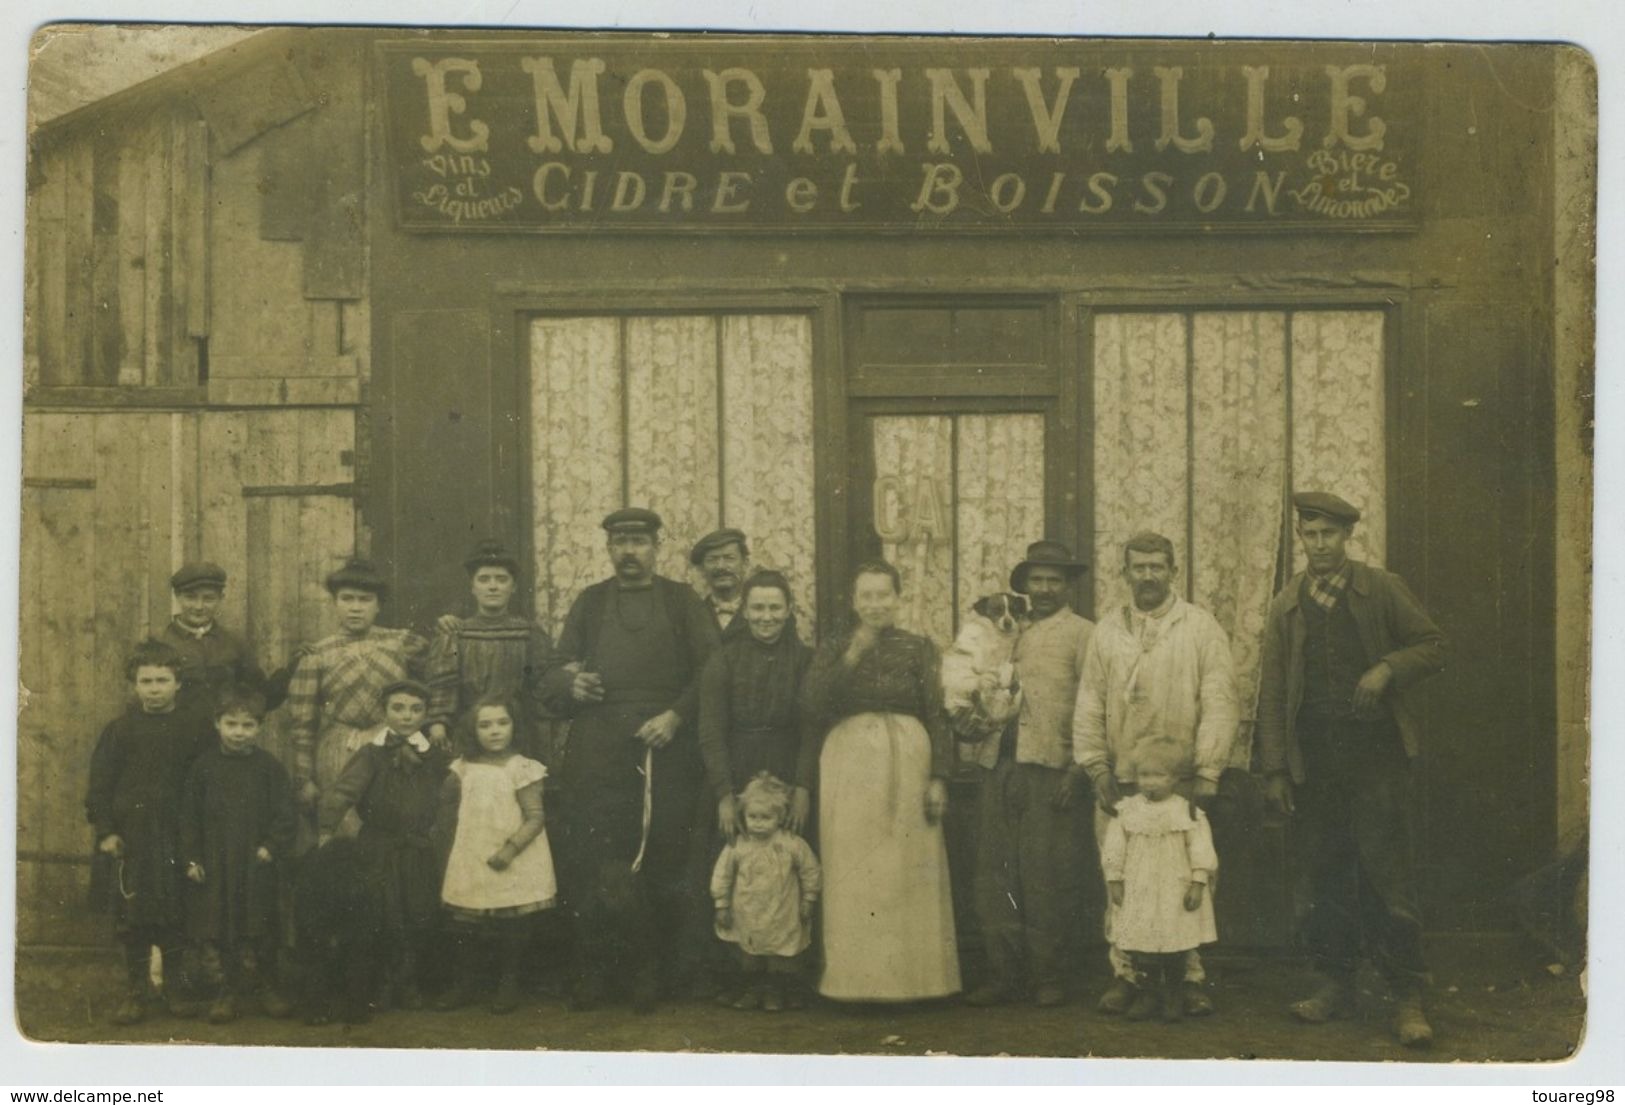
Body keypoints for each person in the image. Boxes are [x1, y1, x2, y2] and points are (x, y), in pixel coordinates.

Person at [1257, 491, 1448, 1047]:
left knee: (1387, 874)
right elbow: (1270, 691)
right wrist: (1274, 769)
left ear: (1346, 538)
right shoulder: (1286, 604)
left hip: (1376, 758)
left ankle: (1407, 996)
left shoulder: (1379, 588)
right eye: (1309, 535)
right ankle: (1334, 984)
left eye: (1328, 535)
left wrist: (1386, 668)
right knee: (1325, 873)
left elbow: (1433, 645)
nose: (1318, 545)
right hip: (1314, 761)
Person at [539, 507, 720, 1012]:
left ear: (657, 546)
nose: (630, 552)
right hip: (598, 751)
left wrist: (676, 717)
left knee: (661, 860)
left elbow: (712, 671)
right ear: (608, 549)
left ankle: (652, 975)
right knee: (593, 861)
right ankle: (595, 973)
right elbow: (554, 671)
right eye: (620, 542)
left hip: (665, 750)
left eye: (639, 541)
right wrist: (572, 684)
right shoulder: (591, 604)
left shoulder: (681, 601)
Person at [1072, 531, 1238, 1017]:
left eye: (1156, 566)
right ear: (1124, 573)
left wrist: (1207, 771)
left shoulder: (1200, 628)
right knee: (1123, 881)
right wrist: (1097, 767)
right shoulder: (1108, 631)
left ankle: (1189, 977)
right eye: (1138, 567)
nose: (1147, 575)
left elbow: (1221, 700)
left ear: (1173, 571)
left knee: (1189, 881)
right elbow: (1089, 704)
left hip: (1181, 782)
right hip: (1125, 781)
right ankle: (1127, 975)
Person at [801, 558, 959, 1003]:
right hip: (850, 764)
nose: (875, 604)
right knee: (858, 872)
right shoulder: (835, 645)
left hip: (909, 761)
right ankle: (855, 984)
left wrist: (939, 778)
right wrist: (853, 653)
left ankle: (913, 984)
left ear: (898, 599)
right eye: (866, 596)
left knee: (906, 872)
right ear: (854, 602)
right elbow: (811, 704)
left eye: (883, 595)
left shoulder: (919, 647)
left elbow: (937, 712)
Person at [963, 540, 1095, 1008]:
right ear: (1024, 586)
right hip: (998, 765)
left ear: (1067, 586)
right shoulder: (1004, 628)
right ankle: (1004, 975)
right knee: (994, 874)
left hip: (1050, 769)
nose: (1044, 589)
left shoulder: (1083, 635)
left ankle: (1047, 976)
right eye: (1036, 580)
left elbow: (1093, 705)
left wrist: (1079, 769)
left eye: (1053, 580)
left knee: (1045, 875)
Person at [696, 568, 815, 1002]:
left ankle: (783, 980)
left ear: (788, 611)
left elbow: (811, 728)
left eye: (775, 608)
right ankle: (740, 978)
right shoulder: (723, 660)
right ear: (745, 612)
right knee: (736, 873)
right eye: (758, 608)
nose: (766, 617)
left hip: (786, 763)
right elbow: (710, 729)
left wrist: (802, 787)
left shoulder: (805, 660)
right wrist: (725, 794)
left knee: (786, 875)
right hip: (737, 764)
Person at [85, 639, 215, 1025]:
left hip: (177, 836)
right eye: (146, 681)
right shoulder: (120, 730)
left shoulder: (195, 728)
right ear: (134, 684)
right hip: (133, 838)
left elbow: (208, 783)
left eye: (162, 680)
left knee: (174, 915)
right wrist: (106, 831)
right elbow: (100, 786)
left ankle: (174, 988)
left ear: (178, 684)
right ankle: (136, 992)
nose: (154, 688)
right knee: (134, 916)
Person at [317, 679, 450, 1010]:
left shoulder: (434, 757)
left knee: (418, 912)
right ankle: (382, 983)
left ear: (426, 714)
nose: (407, 716)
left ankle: (410, 982)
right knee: (381, 913)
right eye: (398, 708)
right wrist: (325, 830)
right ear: (385, 711)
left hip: (418, 848)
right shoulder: (371, 754)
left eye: (416, 709)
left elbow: (450, 797)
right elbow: (343, 793)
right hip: (378, 845)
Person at [285, 558, 430, 838]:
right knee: (344, 828)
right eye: (346, 599)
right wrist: (304, 778)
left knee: (390, 827)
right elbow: (302, 722)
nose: (355, 607)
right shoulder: (318, 654)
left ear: (378, 605)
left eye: (364, 599)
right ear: (335, 603)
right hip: (339, 749)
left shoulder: (401, 643)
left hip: (391, 746)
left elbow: (438, 675)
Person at [181, 686, 297, 1023]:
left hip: (255, 862)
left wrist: (271, 846)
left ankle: (267, 987)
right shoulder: (203, 767)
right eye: (231, 724)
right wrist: (192, 858)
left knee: (261, 924)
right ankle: (225, 992)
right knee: (220, 926)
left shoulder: (269, 768)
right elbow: (188, 818)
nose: (239, 733)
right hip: (216, 863)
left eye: (247, 726)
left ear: (259, 728)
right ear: (217, 724)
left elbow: (285, 814)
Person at [436, 695, 557, 1015]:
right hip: (472, 852)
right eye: (485, 725)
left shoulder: (523, 768)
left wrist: (510, 849)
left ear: (514, 727)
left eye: (502, 723)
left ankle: (509, 983)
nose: (494, 731)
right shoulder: (462, 768)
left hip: (513, 855)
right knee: (465, 923)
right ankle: (464, 984)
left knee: (511, 925)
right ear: (472, 730)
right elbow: (448, 808)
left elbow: (535, 817)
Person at [1101, 737, 1219, 1024]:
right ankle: (1148, 993)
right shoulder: (1127, 811)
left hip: (1172, 888)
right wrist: (1115, 879)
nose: (1150, 783)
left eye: (1158, 776)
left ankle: (1174, 995)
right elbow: (1114, 847)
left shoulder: (1186, 811)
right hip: (1140, 887)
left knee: (1174, 941)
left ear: (1175, 779)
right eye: (1144, 775)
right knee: (1143, 942)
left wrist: (1198, 882)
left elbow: (1201, 849)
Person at [425, 541, 559, 766]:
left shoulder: (528, 633)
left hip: (517, 733)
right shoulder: (456, 633)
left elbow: (543, 685)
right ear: (472, 587)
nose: (493, 586)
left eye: (501, 579)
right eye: (484, 579)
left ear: (513, 586)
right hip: (469, 730)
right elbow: (443, 683)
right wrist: (438, 721)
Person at [710, 772, 822, 1013]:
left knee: (780, 955)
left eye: (766, 817)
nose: (758, 823)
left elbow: (810, 870)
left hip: (782, 911)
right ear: (744, 815)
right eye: (753, 817)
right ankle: (753, 990)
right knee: (749, 953)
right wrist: (722, 904)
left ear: (780, 817)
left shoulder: (791, 844)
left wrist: (808, 900)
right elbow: (723, 875)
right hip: (748, 911)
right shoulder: (738, 845)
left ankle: (778, 991)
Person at [159, 561, 268, 715]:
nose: (199, 606)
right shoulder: (162, 642)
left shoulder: (234, 642)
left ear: (221, 598)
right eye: (190, 597)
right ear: (177, 596)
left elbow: (257, 691)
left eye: (208, 599)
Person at [690, 528, 752, 641]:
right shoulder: (691, 617)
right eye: (712, 560)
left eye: (729, 558)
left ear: (745, 564)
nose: (721, 566)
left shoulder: (767, 614)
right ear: (702, 569)